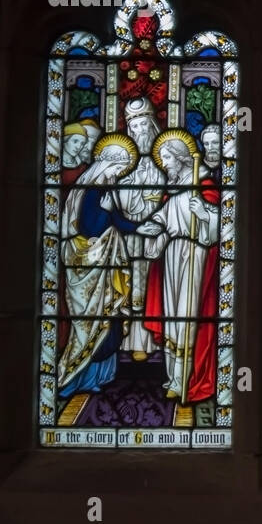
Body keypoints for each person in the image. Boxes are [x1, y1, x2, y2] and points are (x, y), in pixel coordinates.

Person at [137, 131, 219, 404]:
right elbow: (164, 216)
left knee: (187, 315)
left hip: (194, 254)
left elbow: (220, 224)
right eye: (162, 160)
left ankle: (186, 378)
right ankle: (172, 377)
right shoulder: (173, 186)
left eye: (167, 159)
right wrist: (155, 227)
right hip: (171, 254)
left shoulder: (204, 182)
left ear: (182, 159)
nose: (165, 164)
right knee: (172, 317)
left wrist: (205, 213)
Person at [57, 136, 138, 398]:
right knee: (90, 324)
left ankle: (101, 377)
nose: (118, 174)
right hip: (87, 265)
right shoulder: (90, 190)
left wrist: (143, 227)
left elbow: (117, 221)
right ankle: (77, 378)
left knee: (109, 322)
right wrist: (105, 213)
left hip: (106, 265)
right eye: (117, 168)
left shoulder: (103, 189)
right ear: (106, 164)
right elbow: (87, 229)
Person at [111, 97, 165, 359]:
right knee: (130, 284)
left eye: (143, 126)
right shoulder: (126, 165)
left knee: (150, 286)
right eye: (134, 128)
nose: (139, 132)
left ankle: (149, 342)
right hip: (130, 235)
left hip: (154, 235)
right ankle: (129, 341)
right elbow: (117, 197)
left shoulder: (162, 162)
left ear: (152, 125)